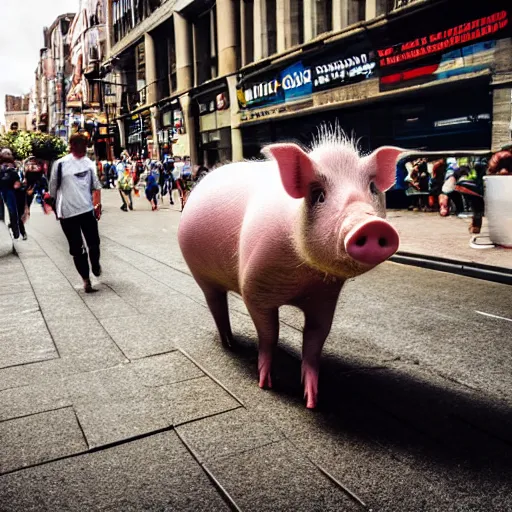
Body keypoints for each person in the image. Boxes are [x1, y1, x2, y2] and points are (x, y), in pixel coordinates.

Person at [49, 133, 102, 293]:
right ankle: (86, 281)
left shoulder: (89, 164)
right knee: (77, 248)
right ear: (71, 146)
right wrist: (54, 208)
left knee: (94, 243)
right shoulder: (60, 164)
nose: (82, 148)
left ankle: (95, 263)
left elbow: (95, 186)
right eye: (79, 145)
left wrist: (97, 204)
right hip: (67, 212)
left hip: (87, 210)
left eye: (84, 145)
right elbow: (52, 190)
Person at [0, 148, 22, 239]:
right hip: (1, 189)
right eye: (5, 153)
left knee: (13, 211)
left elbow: (18, 179)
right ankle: (2, 232)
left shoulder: (15, 166)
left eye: (9, 153)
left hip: (9, 190)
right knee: (0, 213)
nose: (7, 155)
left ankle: (15, 231)